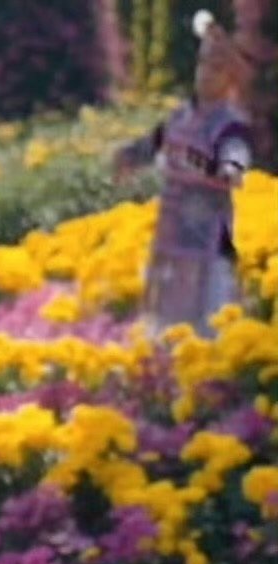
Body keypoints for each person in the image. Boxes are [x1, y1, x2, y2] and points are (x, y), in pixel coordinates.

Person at [113, 10, 256, 338]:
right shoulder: (181, 116)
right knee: (165, 302)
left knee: (209, 305)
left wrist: (231, 167)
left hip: (209, 235)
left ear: (230, 77)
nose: (206, 74)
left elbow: (235, 151)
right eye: (203, 64)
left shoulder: (230, 123)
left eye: (216, 68)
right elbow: (155, 142)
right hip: (172, 228)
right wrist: (130, 156)